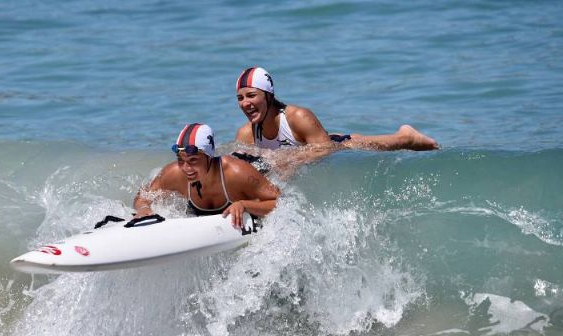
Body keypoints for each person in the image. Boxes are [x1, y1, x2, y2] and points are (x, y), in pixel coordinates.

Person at [234, 67, 439, 158]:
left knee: (381, 145)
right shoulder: (246, 134)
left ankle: (408, 136)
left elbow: (326, 150)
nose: (245, 103)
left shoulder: (297, 117)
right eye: (240, 98)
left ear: (268, 96)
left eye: (251, 95)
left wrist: (291, 160)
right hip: (314, 143)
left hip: (338, 146)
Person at [133, 123, 280, 228]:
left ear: (209, 157)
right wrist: (143, 209)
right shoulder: (174, 174)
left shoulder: (237, 173)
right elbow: (143, 196)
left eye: (193, 160)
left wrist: (245, 205)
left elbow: (280, 202)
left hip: (253, 167)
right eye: (181, 160)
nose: (186, 168)